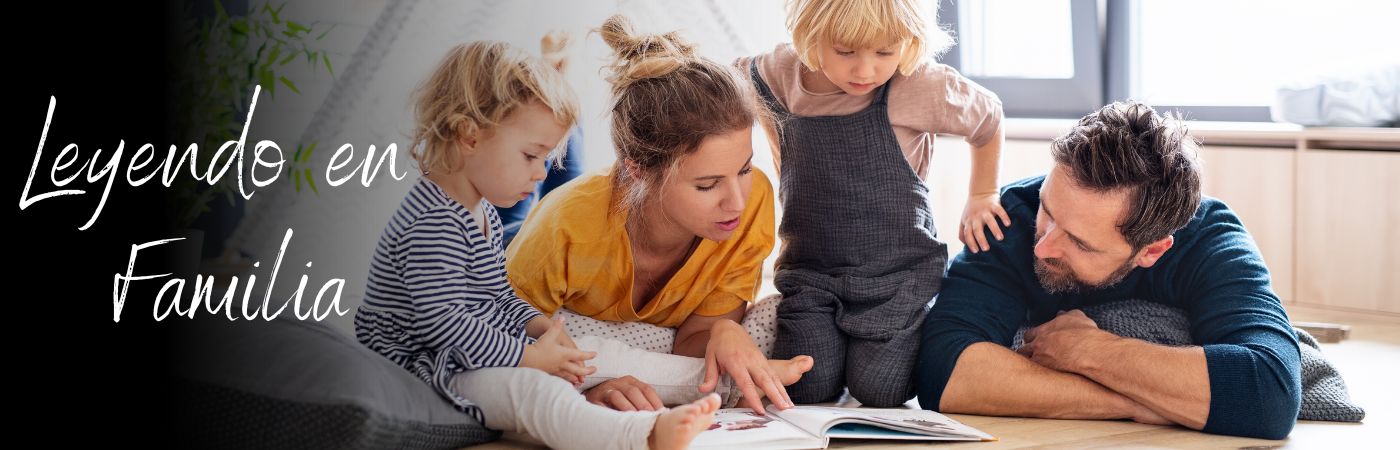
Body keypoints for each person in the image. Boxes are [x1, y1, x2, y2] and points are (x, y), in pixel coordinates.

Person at [353, 41, 723, 450]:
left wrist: (540, 327)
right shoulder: (432, 223)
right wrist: (527, 358)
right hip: (431, 370)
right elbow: (443, 324)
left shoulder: (481, 212)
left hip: (468, 354)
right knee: (534, 390)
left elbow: (497, 295)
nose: (541, 172)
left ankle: (721, 383)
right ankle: (642, 436)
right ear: (468, 136)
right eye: (531, 156)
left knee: (590, 352)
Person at [915, 101, 1302, 440]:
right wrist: (1140, 402)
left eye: (1080, 243)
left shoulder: (1212, 239)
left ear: (1152, 250)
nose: (1043, 245)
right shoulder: (1011, 217)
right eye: (1048, 211)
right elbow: (942, 370)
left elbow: (1271, 394)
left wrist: (1087, 350)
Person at [508, 15, 812, 414]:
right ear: (638, 168)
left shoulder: (751, 204)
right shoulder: (566, 225)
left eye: (743, 170)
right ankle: (552, 87)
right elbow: (500, 341)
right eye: (707, 185)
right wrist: (581, 392)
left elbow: (690, 343)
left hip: (607, 207)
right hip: (522, 236)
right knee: (517, 190)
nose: (737, 202)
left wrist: (723, 330)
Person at [733, 0, 1006, 406]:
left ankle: (916, 325)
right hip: (812, 274)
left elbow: (988, 118)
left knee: (881, 389)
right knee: (807, 386)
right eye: (844, 52)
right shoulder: (778, 74)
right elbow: (727, 86)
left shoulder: (918, 85)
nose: (865, 71)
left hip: (896, 277)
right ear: (811, 34)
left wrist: (982, 193)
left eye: (884, 52)